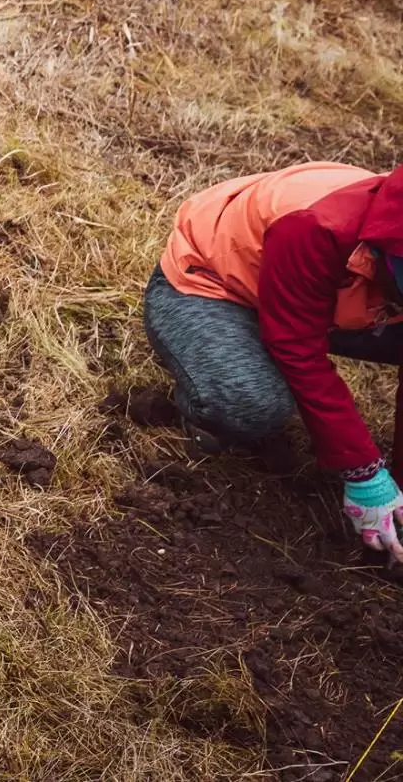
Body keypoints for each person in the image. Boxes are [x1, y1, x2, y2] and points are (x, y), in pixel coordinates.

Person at [144, 162, 403, 562]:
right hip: (214, 285)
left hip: (323, 292)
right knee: (249, 404)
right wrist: (363, 471)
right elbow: (298, 348)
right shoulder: (317, 228)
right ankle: (205, 381)